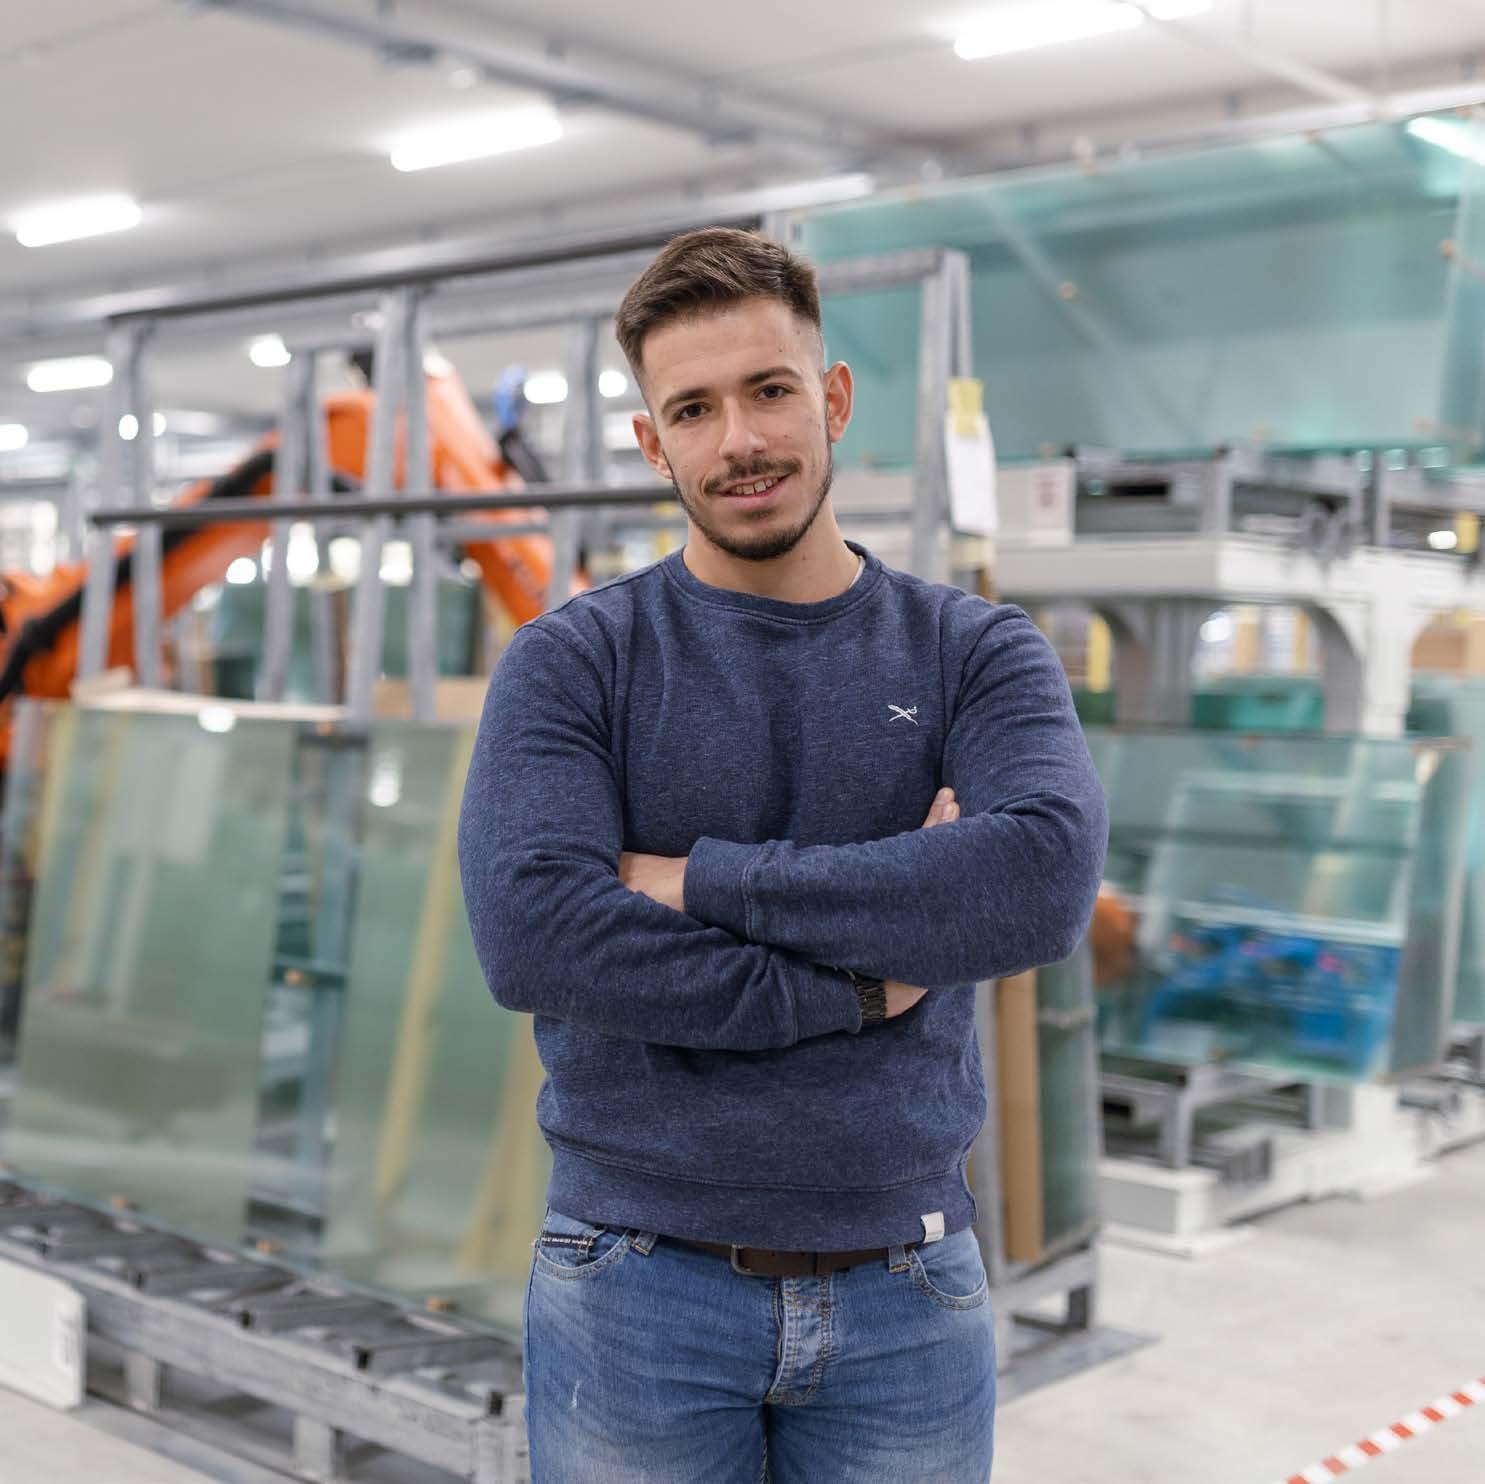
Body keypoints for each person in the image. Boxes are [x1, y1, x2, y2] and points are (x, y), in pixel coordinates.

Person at [457, 226, 1108, 1483]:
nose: (738, 440)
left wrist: (694, 877)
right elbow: (536, 934)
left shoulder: (974, 651)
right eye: (693, 409)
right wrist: (864, 981)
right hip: (632, 1277)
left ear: (835, 398)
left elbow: (1038, 881)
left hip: (906, 1279)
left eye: (769, 389)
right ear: (653, 443)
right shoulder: (575, 661)